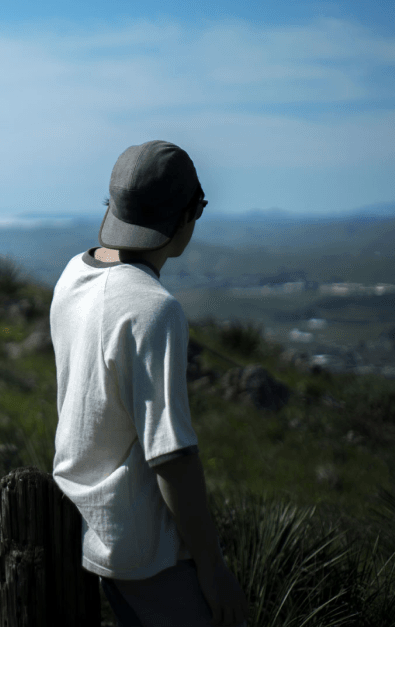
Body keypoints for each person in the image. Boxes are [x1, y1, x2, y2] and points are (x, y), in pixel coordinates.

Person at [49, 140, 249, 627]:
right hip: (147, 548)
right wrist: (214, 569)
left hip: (85, 524)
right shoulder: (153, 309)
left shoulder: (74, 273)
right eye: (198, 208)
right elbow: (172, 457)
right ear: (186, 215)